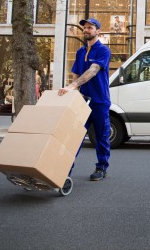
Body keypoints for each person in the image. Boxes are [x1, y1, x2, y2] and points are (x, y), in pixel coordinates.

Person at [58, 17, 111, 181]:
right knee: (75, 136)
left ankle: (101, 167)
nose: (86, 30)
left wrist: (72, 86)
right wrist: (74, 90)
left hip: (99, 101)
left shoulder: (103, 50)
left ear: (98, 31)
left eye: (90, 27)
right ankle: (65, 170)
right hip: (82, 101)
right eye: (85, 28)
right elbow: (76, 73)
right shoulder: (80, 52)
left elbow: (93, 71)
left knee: (101, 136)